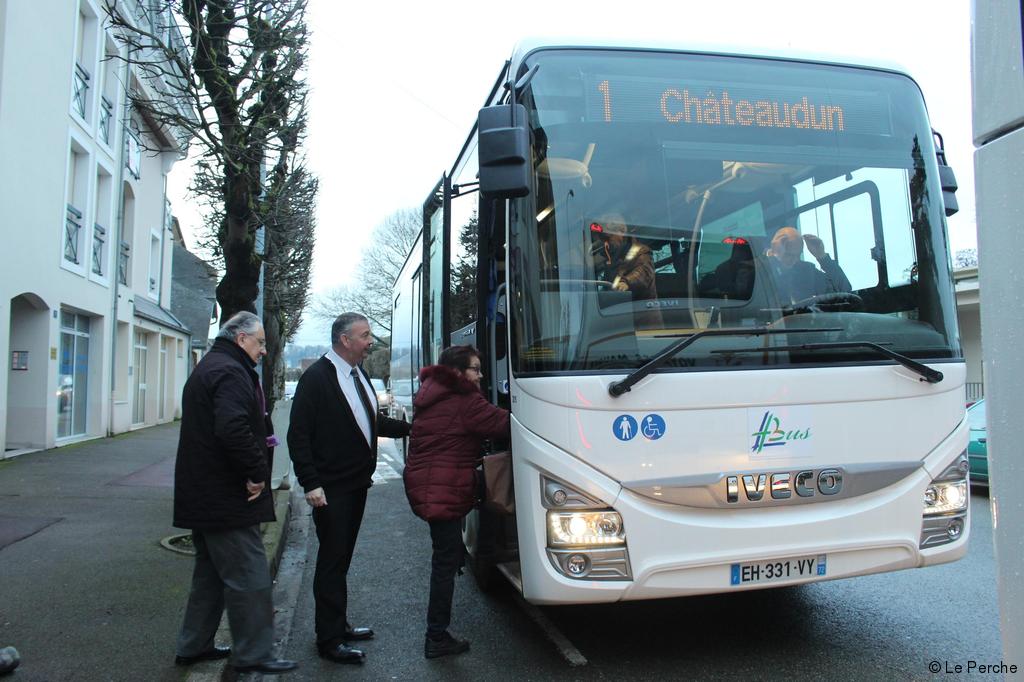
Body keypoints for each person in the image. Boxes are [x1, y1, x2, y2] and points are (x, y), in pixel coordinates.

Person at [173, 311, 297, 675]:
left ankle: (193, 646)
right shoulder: (230, 372)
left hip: (205, 493)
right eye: (260, 343)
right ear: (241, 338)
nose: (264, 351)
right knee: (251, 575)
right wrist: (256, 472)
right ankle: (255, 653)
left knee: (210, 575)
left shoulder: (214, 365)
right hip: (226, 496)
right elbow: (232, 428)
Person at [287, 313, 411, 664]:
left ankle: (338, 625)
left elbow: (371, 421)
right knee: (331, 561)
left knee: (340, 560)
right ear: (345, 340)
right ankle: (328, 640)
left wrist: (414, 428)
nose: (371, 341)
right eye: (365, 335)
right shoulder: (317, 379)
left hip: (356, 484)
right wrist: (310, 482)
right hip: (331, 488)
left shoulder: (357, 376)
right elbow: (298, 436)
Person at [402, 345, 510, 659]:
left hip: (430, 485)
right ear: (459, 373)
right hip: (442, 490)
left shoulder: (433, 394)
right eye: (476, 369)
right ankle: (436, 636)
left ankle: (438, 632)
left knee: (445, 558)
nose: (480, 375)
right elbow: (504, 423)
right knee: (444, 563)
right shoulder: (465, 400)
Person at [591, 212, 663, 326]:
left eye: (607, 238)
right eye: (602, 240)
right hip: (623, 321)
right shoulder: (611, 259)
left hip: (646, 325)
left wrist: (626, 282)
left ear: (621, 231)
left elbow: (644, 272)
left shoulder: (641, 251)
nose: (605, 244)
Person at [765, 226, 852, 303]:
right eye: (790, 255)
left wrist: (822, 257)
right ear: (775, 248)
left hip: (806, 320)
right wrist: (773, 260)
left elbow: (843, 290)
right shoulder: (758, 268)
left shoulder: (806, 270)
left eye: (798, 255)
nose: (794, 261)